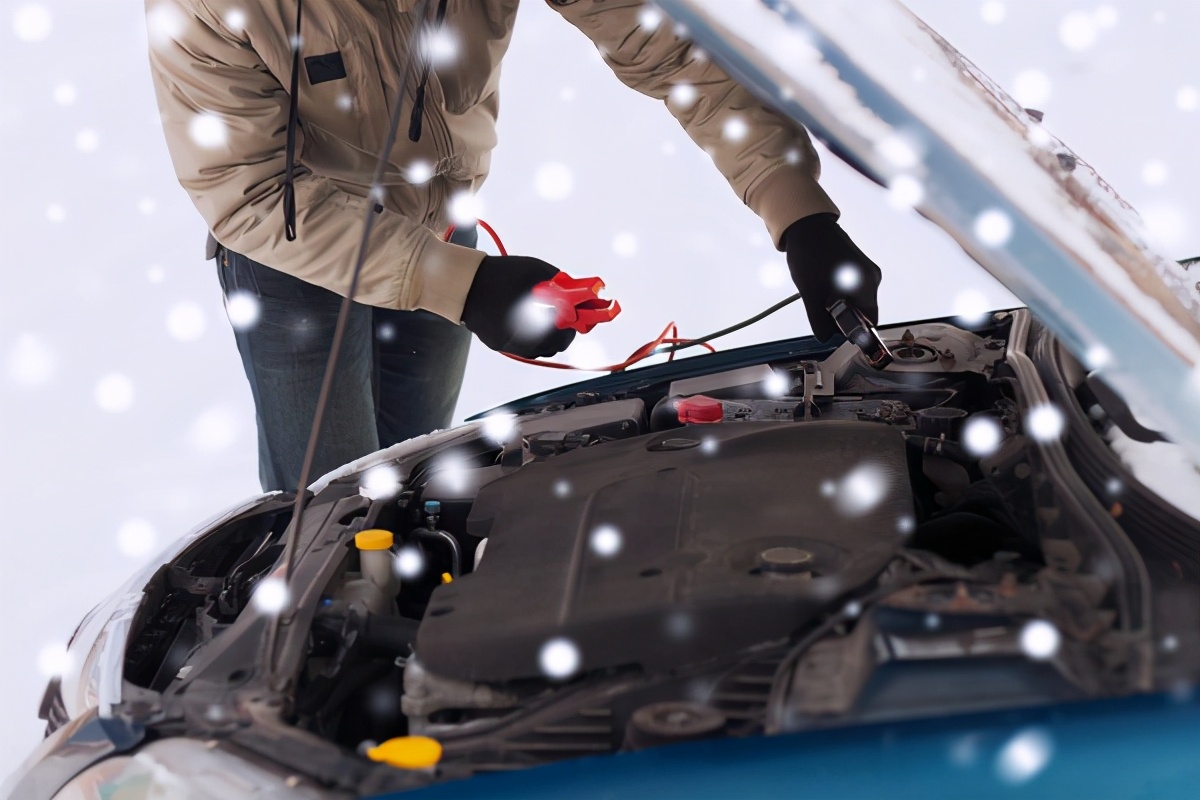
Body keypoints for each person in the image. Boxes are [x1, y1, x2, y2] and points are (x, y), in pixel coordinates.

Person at [146, 0, 882, 492]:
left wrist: (801, 216)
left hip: (443, 236)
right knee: (333, 513)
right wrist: (465, 287)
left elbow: (678, 57)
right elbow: (245, 190)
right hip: (295, 269)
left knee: (418, 483)